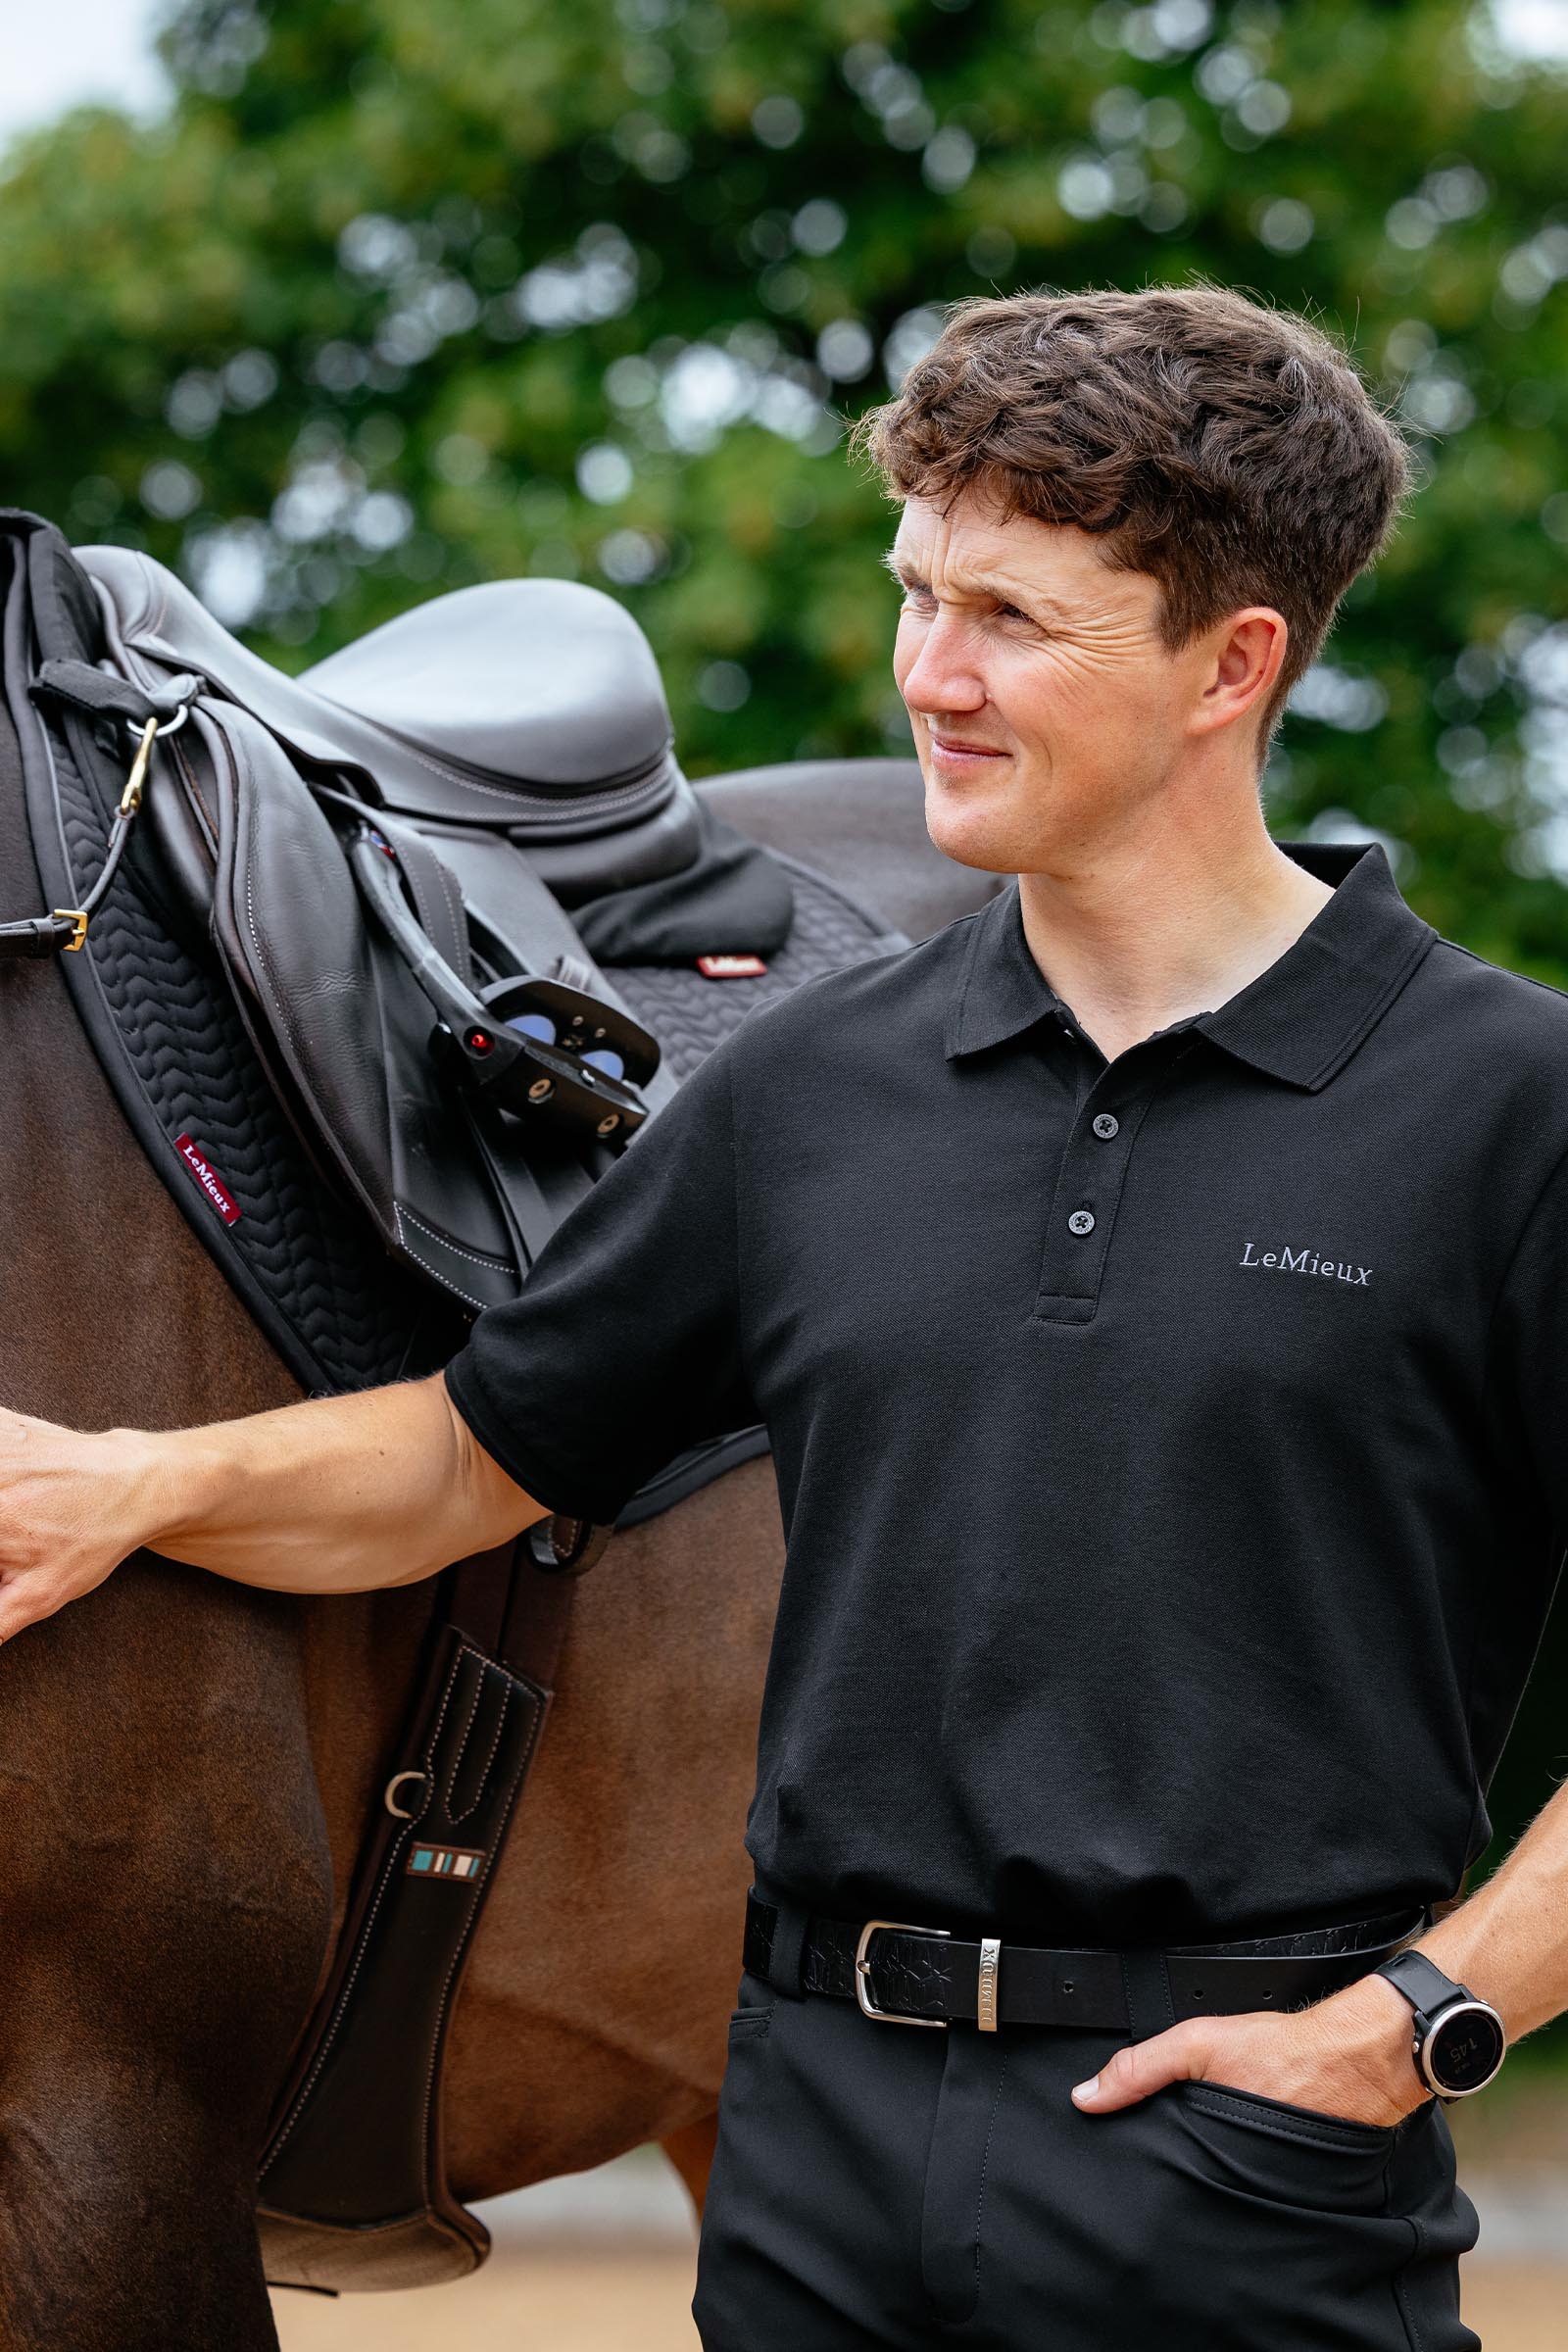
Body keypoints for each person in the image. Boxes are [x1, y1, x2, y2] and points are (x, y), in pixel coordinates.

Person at [2, 284, 1564, 2351]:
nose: (928, 676)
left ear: (1232, 665)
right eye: (915, 595)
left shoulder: (1500, 1107)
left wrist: (1417, 2025)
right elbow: (470, 1455)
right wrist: (126, 1484)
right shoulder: (808, 1093)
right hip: (818, 2183)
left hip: (1240, 2183)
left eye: (1009, 618)